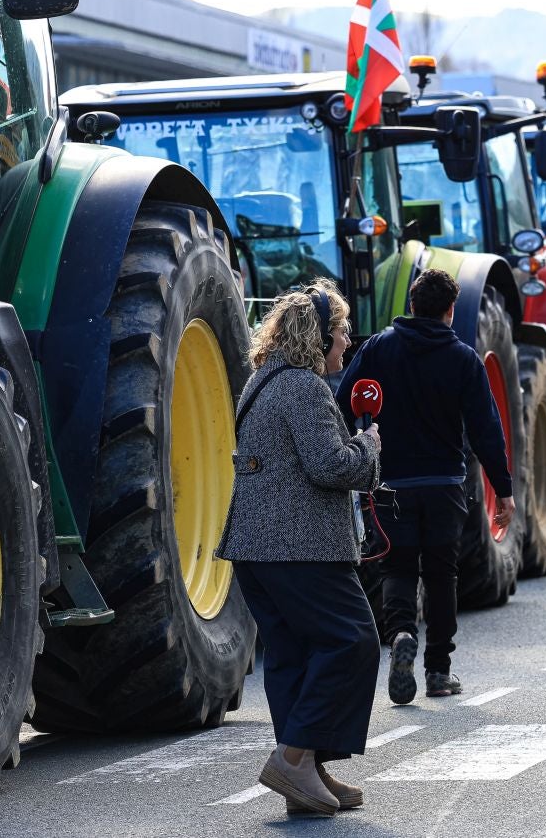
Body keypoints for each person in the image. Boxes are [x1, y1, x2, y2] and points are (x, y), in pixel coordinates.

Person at [215, 279, 381, 818]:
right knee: (351, 641)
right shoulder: (304, 388)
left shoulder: (261, 380)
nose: (345, 346)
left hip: (254, 547)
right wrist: (369, 445)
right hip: (300, 546)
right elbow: (331, 467)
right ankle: (292, 757)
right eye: (340, 334)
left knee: (293, 655)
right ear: (317, 336)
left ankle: (308, 773)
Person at [336, 269, 515, 705]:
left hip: (391, 483)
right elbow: (486, 429)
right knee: (441, 576)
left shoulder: (378, 348)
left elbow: (342, 399)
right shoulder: (463, 359)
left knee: (397, 569)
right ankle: (438, 670)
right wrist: (503, 490)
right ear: (451, 310)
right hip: (446, 485)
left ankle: (399, 634)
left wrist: (357, 452)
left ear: (412, 305)